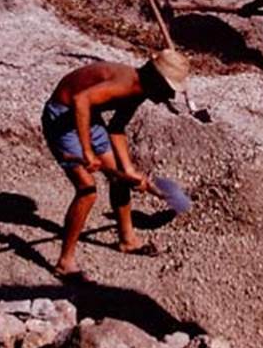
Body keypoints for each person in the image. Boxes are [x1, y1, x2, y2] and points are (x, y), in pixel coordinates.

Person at [41, 49, 191, 281]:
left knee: (120, 177)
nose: (170, 96)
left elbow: (117, 128)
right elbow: (80, 100)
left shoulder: (139, 91)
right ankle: (65, 263)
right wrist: (87, 152)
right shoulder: (126, 85)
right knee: (87, 190)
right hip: (62, 116)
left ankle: (127, 240)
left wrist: (128, 170)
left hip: (88, 116)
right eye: (168, 88)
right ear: (156, 79)